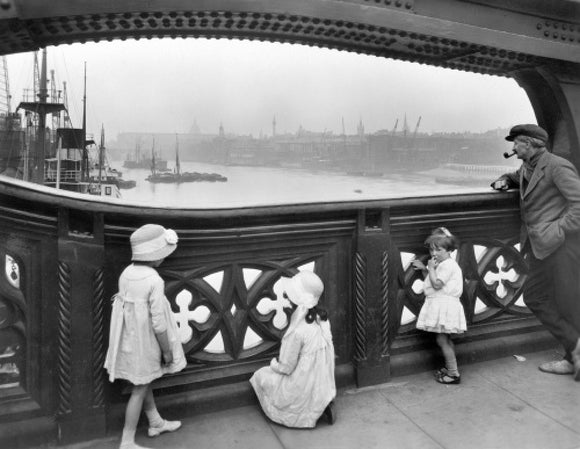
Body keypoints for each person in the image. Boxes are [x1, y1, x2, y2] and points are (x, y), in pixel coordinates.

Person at [491, 124, 580, 380]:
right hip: (541, 247)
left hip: (562, 246)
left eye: (516, 142)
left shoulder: (557, 166)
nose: (513, 147)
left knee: (566, 301)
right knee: (537, 297)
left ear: (529, 144)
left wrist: (558, 229)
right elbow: (517, 177)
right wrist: (503, 180)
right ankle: (574, 350)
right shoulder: (529, 166)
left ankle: (572, 355)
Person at [104, 224, 187, 449]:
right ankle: (127, 441)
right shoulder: (154, 280)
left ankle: (155, 422)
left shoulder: (126, 273)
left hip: (130, 340)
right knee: (139, 389)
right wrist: (167, 350)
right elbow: (158, 323)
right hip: (147, 342)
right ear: (156, 255)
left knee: (144, 381)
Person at [250, 271, 336, 428]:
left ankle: (300, 411)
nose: (288, 298)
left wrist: (273, 364)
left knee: (260, 375)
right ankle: (322, 403)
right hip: (323, 382)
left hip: (301, 385)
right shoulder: (323, 320)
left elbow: (287, 368)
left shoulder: (298, 331)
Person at [412, 227, 466, 385]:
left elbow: (436, 284)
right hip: (444, 305)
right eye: (431, 250)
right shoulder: (444, 264)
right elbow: (432, 280)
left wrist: (430, 267)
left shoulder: (448, 265)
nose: (434, 254)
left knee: (442, 341)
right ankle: (451, 368)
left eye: (439, 250)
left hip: (445, 306)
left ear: (449, 250)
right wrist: (426, 269)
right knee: (446, 340)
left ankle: (453, 373)